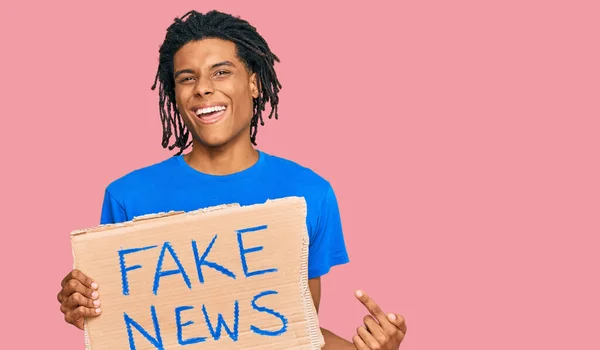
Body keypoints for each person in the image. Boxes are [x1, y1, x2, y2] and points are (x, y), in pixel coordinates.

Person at [56, 9, 407, 349]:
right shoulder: (127, 197)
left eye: (221, 72)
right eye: (187, 78)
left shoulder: (308, 193)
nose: (203, 89)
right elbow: (122, 328)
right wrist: (86, 307)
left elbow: (296, 333)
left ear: (254, 84)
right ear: (175, 95)